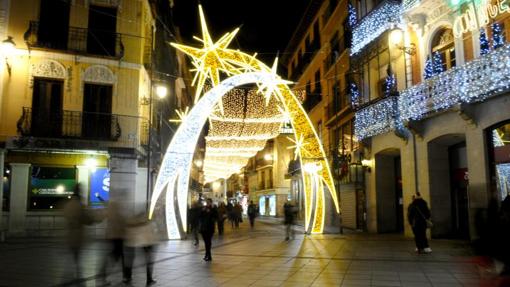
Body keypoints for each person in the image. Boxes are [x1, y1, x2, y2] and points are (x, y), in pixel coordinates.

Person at [63, 183, 92, 280]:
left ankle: (70, 275)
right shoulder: (79, 205)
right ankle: (76, 275)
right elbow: (86, 219)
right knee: (76, 256)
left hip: (69, 235)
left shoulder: (68, 204)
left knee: (73, 256)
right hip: (77, 236)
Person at [123, 213, 158, 285]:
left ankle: (128, 278)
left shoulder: (131, 224)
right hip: (147, 243)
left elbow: (129, 235)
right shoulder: (148, 224)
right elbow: (152, 235)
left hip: (131, 244)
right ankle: (149, 279)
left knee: (129, 260)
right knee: (148, 262)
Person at [99, 201, 126, 285]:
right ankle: (125, 276)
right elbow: (122, 227)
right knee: (116, 257)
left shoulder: (110, 214)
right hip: (117, 238)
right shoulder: (118, 215)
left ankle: (103, 275)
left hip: (111, 237)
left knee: (116, 256)